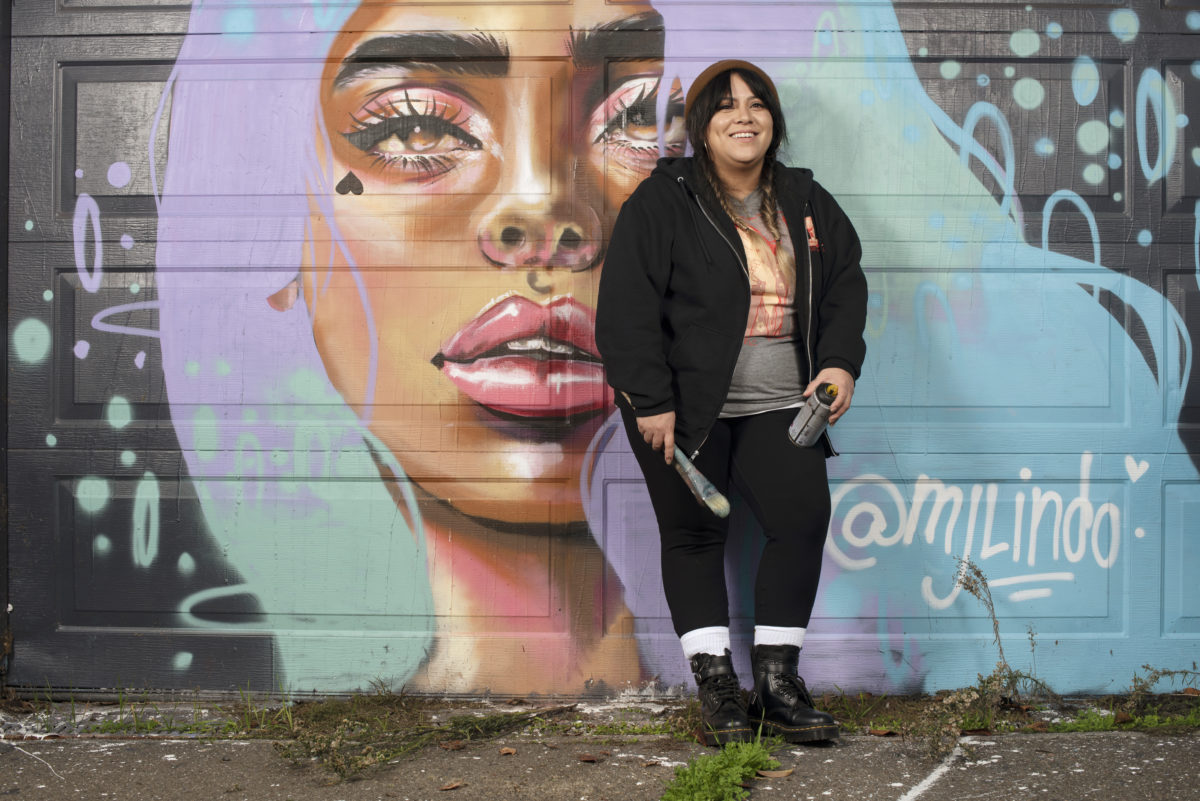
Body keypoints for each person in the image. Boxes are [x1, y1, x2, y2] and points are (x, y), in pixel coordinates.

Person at [596, 60, 868, 745]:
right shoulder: (663, 202)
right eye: (726, 106)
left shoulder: (806, 199)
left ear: (772, 122)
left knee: (801, 519)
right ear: (700, 127)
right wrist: (651, 399)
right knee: (693, 537)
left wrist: (839, 361)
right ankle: (718, 690)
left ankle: (777, 685)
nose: (743, 116)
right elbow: (626, 309)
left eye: (757, 104)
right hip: (683, 407)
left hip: (782, 400)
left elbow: (843, 286)